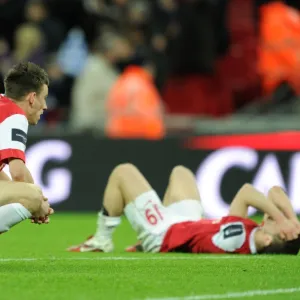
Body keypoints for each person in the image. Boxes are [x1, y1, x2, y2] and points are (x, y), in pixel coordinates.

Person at [68, 164, 300, 254]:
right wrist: (291, 219)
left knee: (123, 172)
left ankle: (101, 240)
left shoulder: (238, 239)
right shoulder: (248, 231)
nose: (269, 216)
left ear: (268, 240)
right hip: (187, 222)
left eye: (272, 221)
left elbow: (249, 191)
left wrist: (281, 218)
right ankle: (137, 242)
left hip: (164, 234)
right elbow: (276, 192)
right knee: (181, 172)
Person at [0, 62, 53, 234]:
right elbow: (18, 173)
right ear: (31, 98)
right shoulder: (15, 115)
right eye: (43, 97)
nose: (45, 106)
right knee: (32, 193)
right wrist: (38, 202)